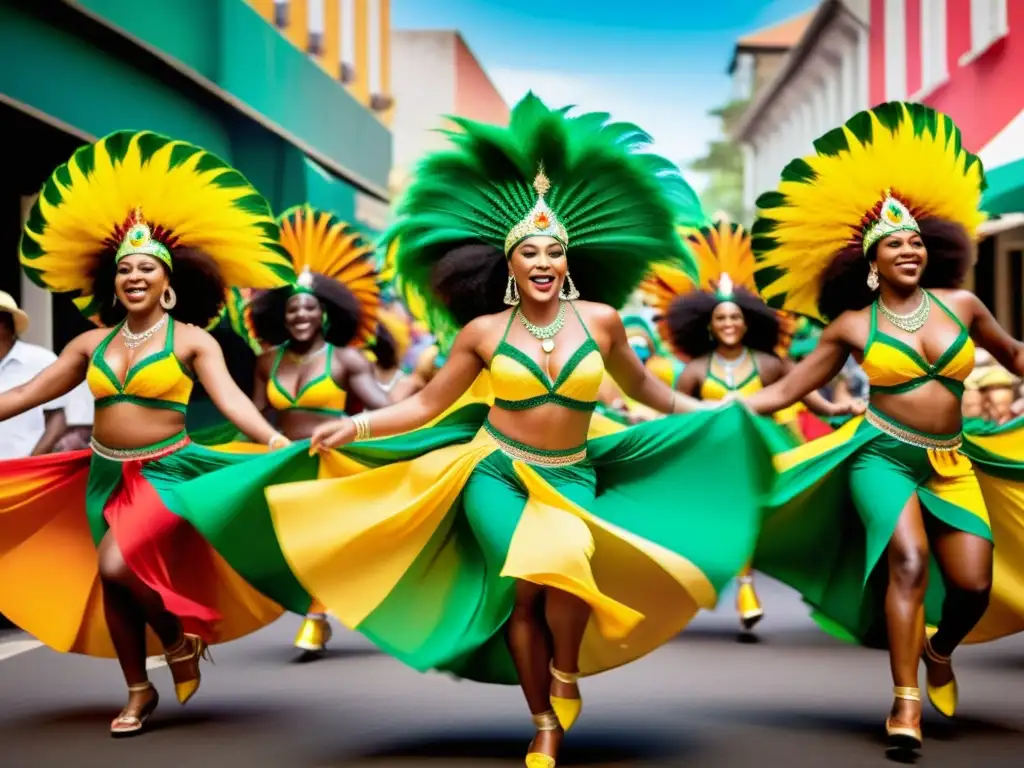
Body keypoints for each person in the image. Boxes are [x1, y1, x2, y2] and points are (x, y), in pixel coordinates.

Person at [205, 93, 777, 768]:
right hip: (495, 473)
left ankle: (564, 673)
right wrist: (355, 424)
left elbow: (647, 390)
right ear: (507, 265)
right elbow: (424, 408)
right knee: (534, 577)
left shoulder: (602, 323)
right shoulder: (482, 333)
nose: (542, 261)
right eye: (529, 251)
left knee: (565, 581)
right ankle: (541, 720)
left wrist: (720, 415)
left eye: (554, 251)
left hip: (575, 472)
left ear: (569, 262)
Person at [743, 102, 1024, 753]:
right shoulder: (851, 326)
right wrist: (713, 412)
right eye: (895, 243)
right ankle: (904, 703)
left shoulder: (963, 306)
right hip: (882, 456)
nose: (909, 249)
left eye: (917, 241)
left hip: (953, 460)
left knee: (974, 586)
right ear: (871, 261)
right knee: (908, 560)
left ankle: (941, 647)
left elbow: (1013, 356)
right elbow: (787, 389)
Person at [0, 130, 298, 737]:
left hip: (167, 472)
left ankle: (175, 640)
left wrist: (271, 440)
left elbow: (234, 399)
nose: (134, 275)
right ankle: (139, 690)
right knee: (115, 586)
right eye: (124, 269)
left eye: (146, 269)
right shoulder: (89, 344)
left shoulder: (192, 340)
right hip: (102, 473)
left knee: (116, 565)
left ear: (168, 283)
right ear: (112, 283)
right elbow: (28, 393)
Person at [643, 218, 856, 635]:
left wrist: (847, 406)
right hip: (711, 462)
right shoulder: (694, 370)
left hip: (766, 456)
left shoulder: (773, 364)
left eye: (735, 317)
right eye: (721, 317)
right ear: (709, 324)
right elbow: (672, 414)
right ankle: (732, 584)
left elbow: (815, 400)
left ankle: (750, 583)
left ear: (749, 322)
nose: (728, 323)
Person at [245, 204, 391, 653]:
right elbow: (254, 411)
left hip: (333, 460)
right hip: (282, 457)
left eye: (309, 308)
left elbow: (384, 406)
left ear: (324, 313)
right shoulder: (267, 360)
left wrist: (427, 411)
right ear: (280, 316)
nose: (301, 316)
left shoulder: (348, 360)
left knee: (321, 540)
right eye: (292, 310)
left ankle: (316, 613)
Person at [0, 291, 67, 457]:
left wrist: (34, 459)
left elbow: (59, 417)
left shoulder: (40, 360)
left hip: (25, 472)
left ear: (5, 324)